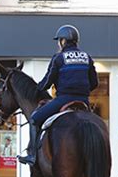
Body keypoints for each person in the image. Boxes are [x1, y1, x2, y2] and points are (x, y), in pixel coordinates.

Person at [18, 25, 98, 166]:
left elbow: (48, 81)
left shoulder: (59, 58)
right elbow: (94, 83)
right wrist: (82, 92)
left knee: (34, 119)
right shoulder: (87, 57)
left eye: (59, 41)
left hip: (64, 99)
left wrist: (37, 89)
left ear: (63, 41)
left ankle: (32, 155)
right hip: (84, 101)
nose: (58, 44)